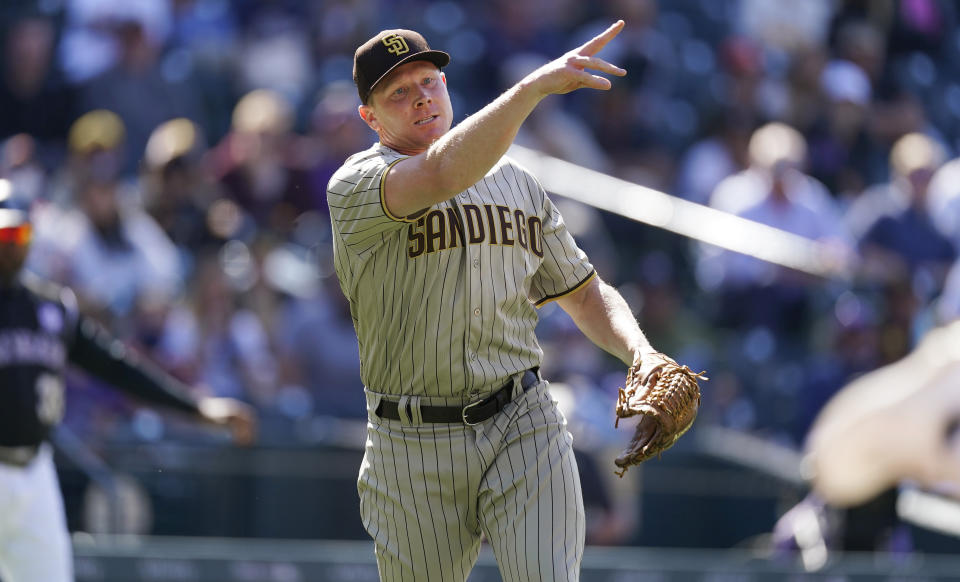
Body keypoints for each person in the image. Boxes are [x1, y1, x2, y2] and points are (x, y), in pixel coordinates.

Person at [328, 21, 670, 580]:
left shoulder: (516, 182)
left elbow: (584, 293)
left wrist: (641, 352)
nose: (421, 98)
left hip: (523, 419)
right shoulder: (355, 186)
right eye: (399, 92)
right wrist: (534, 87)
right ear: (370, 116)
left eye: (429, 81)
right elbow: (442, 171)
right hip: (412, 440)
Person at [0, 185, 256, 582]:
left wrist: (197, 407)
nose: (10, 245)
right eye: (2, 235)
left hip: (35, 470)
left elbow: (117, 367)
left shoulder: (49, 306)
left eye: (18, 234)